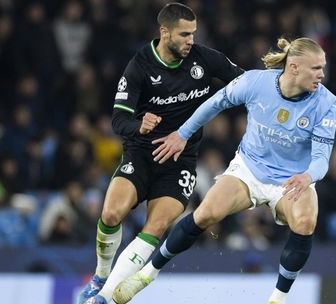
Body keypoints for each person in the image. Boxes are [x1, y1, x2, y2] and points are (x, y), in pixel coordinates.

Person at [112, 37, 336, 304]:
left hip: (293, 180)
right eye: (316, 68)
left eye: (322, 67)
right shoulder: (256, 82)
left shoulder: (327, 103)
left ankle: (278, 299)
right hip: (250, 170)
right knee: (206, 214)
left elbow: (322, 159)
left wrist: (308, 176)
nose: (322, 75)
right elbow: (215, 103)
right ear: (294, 68)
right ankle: (148, 273)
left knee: (305, 222)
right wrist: (182, 134)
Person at [78, 3, 243, 304]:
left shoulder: (205, 59)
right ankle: (101, 275)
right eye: (184, 34)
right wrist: (139, 125)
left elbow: (244, 82)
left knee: (155, 226)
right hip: (141, 154)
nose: (191, 40)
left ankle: (103, 298)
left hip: (179, 163)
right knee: (111, 213)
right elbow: (118, 120)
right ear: (164, 32)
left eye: (193, 33)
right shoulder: (140, 66)